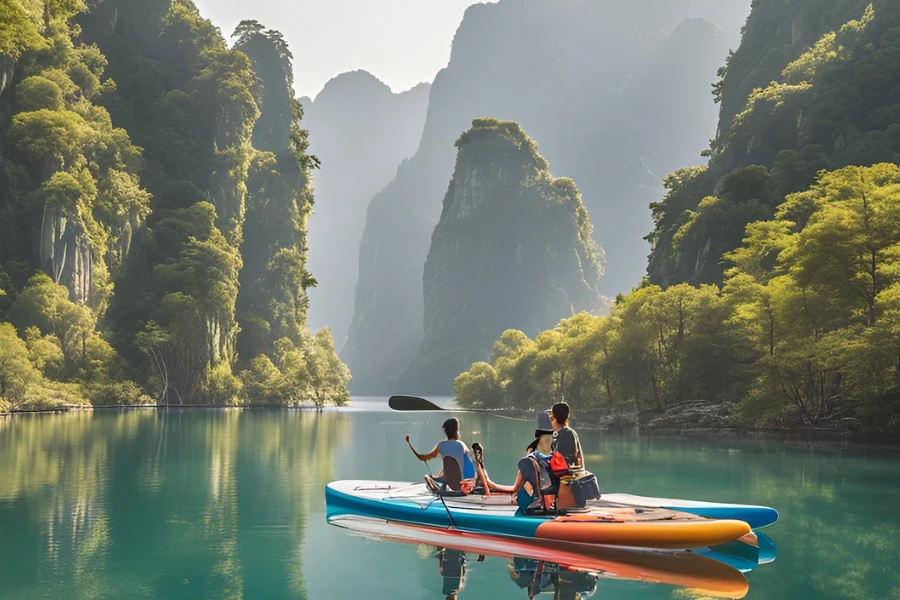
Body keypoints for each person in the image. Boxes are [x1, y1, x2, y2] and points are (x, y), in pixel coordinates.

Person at [412, 417, 476, 482]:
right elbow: (471, 457)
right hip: (466, 480)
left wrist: (411, 445)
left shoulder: (440, 445)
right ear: (457, 430)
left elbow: (423, 457)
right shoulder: (461, 444)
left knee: (429, 476)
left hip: (449, 479)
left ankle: (440, 479)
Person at [549, 402, 583, 469]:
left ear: (554, 418)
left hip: (564, 476)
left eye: (551, 418)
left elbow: (562, 461)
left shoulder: (566, 434)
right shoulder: (569, 433)